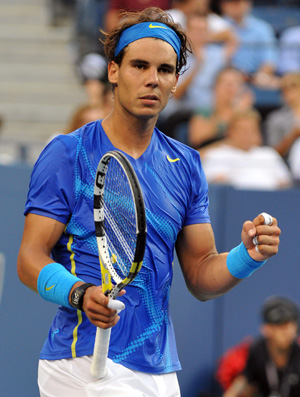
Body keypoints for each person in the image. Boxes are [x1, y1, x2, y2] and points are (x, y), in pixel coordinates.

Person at [17, 7, 281, 396]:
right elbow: (29, 258)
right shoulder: (67, 152)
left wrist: (248, 254)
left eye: (164, 70)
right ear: (113, 71)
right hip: (82, 362)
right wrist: (78, 293)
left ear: (176, 80)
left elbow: (202, 276)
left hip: (158, 369)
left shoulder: (187, 164)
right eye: (139, 66)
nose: (151, 80)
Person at [220, 296, 300, 397]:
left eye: (291, 326)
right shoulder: (257, 350)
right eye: (281, 326)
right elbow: (244, 379)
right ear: (267, 329)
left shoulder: (298, 351)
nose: (287, 333)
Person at [200, 109, 293, 190]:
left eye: (251, 130)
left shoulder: (269, 154)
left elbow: (285, 184)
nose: (247, 135)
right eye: (242, 130)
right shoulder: (216, 155)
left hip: (270, 205)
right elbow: (212, 186)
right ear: (230, 131)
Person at [188, 66, 254, 149]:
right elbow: (198, 140)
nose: (231, 88)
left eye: (236, 83)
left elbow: (255, 142)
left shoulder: (244, 113)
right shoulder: (204, 112)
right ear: (216, 87)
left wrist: (240, 113)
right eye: (227, 84)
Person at [218, 0, 279, 89]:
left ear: (247, 3)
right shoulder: (216, 26)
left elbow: (270, 61)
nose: (234, 6)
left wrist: (260, 76)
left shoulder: (262, 28)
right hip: (223, 78)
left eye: (237, 2)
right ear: (223, 5)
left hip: (254, 78)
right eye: (229, 2)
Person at [264, 72, 300, 161]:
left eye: (294, 87)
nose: (291, 93)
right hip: (290, 160)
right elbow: (273, 153)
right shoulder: (275, 119)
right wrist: (293, 136)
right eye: (286, 89)